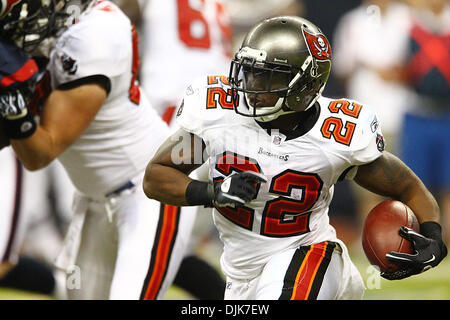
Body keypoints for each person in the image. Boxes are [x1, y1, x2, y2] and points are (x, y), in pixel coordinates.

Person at [143, 16, 447, 299]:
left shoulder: (335, 134)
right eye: (249, 71)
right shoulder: (220, 116)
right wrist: (212, 192)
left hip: (311, 255)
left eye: (265, 77)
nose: (250, 86)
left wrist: (434, 237)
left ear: (306, 86)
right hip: (242, 273)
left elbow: (408, 187)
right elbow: (156, 176)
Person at [0, 0, 196, 300]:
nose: (16, 22)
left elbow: (39, 153)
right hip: (93, 200)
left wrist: (15, 111)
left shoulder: (96, 35)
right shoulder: (43, 33)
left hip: (147, 192)